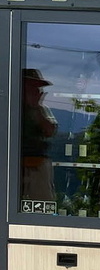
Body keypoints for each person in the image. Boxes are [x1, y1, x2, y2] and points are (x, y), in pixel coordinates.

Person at [21, 68, 58, 206]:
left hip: (37, 165)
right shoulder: (10, 107)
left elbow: (50, 131)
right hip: (12, 164)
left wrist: (35, 107)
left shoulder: (42, 110)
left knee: (43, 202)